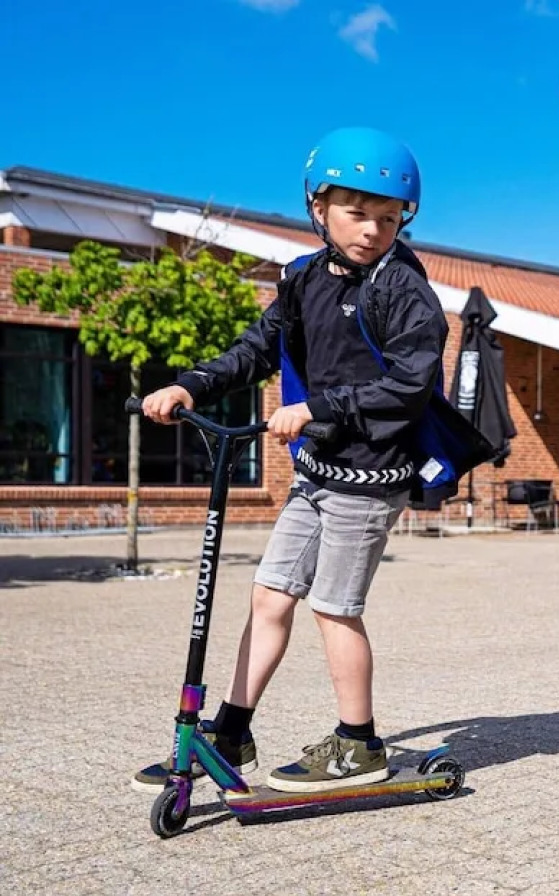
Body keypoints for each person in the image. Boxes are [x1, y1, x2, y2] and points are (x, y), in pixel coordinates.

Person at [132, 127, 450, 794]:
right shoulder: (303, 280)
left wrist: (317, 410)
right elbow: (256, 347)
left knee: (333, 606)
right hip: (317, 471)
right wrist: (191, 383)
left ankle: (359, 744)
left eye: (389, 218)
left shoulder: (405, 291)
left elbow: (409, 384)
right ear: (319, 209)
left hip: (371, 474)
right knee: (270, 595)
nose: (373, 230)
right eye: (357, 213)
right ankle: (231, 731)